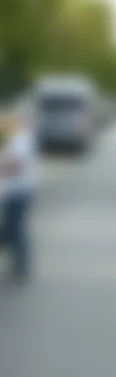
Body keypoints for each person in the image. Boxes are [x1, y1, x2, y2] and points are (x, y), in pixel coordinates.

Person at [0, 111, 37, 283]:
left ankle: (21, 266)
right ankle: (20, 264)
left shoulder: (21, 138)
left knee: (15, 229)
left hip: (19, 192)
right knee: (11, 229)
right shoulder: (14, 138)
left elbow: (16, 164)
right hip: (11, 192)